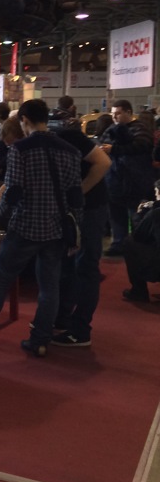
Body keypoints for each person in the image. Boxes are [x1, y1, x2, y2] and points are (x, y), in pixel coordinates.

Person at [0, 99, 83, 357]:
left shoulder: (20, 150)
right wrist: (74, 227)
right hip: (56, 229)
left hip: (24, 227)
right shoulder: (70, 151)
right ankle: (40, 340)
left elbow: (12, 195)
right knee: (49, 287)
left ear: (24, 120)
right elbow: (75, 197)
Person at [51, 120, 112, 346]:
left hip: (91, 208)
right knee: (70, 264)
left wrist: (80, 192)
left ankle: (80, 330)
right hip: (79, 210)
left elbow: (103, 162)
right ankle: (63, 318)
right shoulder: (51, 140)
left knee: (85, 266)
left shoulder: (67, 136)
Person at [100, 99, 155, 256]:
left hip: (135, 182)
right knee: (116, 217)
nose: (114, 117)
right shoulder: (110, 129)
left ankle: (138, 247)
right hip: (114, 182)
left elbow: (141, 146)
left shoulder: (140, 128)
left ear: (128, 112)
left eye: (118, 113)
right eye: (113, 114)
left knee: (136, 216)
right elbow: (102, 144)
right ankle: (119, 244)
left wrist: (114, 149)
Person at [120, 180, 160, 302]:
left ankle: (139, 291)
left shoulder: (155, 213)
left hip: (156, 265)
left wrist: (138, 214)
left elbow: (138, 235)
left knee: (129, 243)